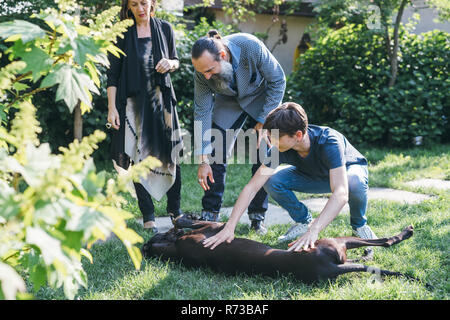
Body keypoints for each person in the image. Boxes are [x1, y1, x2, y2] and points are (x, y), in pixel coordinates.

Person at [203, 102, 377, 252]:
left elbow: (340, 193)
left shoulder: (329, 141)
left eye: (275, 138)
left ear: (298, 135)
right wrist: (230, 226)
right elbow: (252, 187)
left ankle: (359, 225)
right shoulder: (278, 150)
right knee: (272, 181)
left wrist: (314, 230)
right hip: (313, 176)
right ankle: (303, 221)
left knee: (355, 181)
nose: (271, 141)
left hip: (345, 174)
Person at [191, 30, 286, 234]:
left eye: (209, 70)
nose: (205, 76)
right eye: (202, 72)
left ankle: (257, 217)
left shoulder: (250, 45)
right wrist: (202, 159)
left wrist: (262, 122)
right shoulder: (202, 70)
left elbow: (278, 80)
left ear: (223, 56)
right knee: (215, 153)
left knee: (264, 154)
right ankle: (210, 214)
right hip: (229, 102)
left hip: (262, 98)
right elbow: (202, 111)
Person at [106, 0, 183, 232]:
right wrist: (112, 108)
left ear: (152, 4)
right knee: (136, 158)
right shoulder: (121, 34)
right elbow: (112, 75)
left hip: (161, 101)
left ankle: (175, 212)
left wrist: (170, 63)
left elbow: (176, 61)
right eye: (134, 4)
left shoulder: (165, 28)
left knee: (171, 154)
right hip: (132, 104)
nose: (140, 8)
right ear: (128, 7)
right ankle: (148, 214)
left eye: (144, 2)